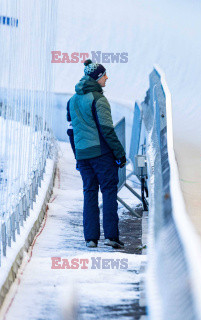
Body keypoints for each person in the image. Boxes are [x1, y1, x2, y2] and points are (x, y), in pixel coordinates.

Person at [67, 59, 126, 248]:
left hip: (83, 155)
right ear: (97, 78)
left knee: (89, 193)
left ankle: (91, 239)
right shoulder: (99, 100)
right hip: (101, 154)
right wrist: (119, 154)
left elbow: (71, 129)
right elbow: (107, 130)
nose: (107, 78)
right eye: (104, 75)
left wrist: (78, 155)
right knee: (109, 191)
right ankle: (111, 237)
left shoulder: (72, 100)